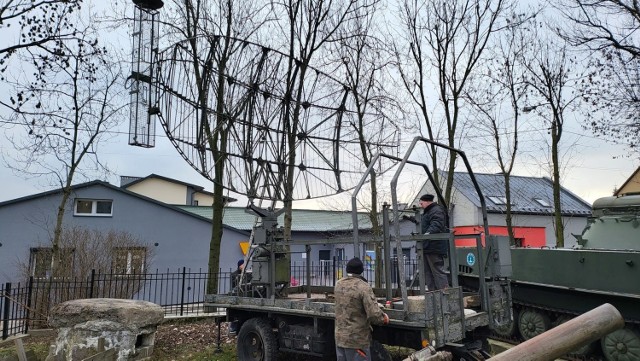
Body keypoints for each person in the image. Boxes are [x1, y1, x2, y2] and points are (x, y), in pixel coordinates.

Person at [335, 257, 389, 361]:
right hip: (357, 341)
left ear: (347, 269)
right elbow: (373, 314)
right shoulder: (363, 287)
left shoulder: (338, 284)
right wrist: (384, 318)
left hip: (340, 338)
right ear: (361, 270)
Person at [418, 193, 450, 290]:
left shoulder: (436, 210)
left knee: (437, 271)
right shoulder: (429, 211)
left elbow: (437, 224)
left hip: (434, 246)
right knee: (429, 273)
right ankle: (433, 295)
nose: (420, 205)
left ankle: (444, 294)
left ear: (427, 202)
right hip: (428, 246)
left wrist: (428, 234)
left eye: (421, 203)